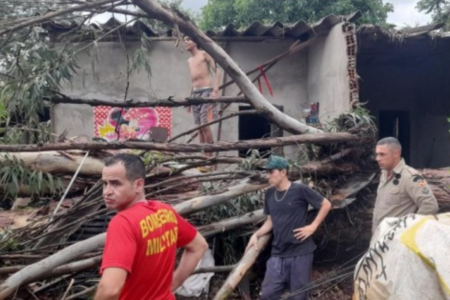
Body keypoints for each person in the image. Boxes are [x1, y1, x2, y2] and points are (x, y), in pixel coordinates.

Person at [94, 153, 208, 300]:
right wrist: (171, 287)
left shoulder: (123, 222)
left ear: (138, 185)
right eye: (105, 183)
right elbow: (199, 245)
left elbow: (110, 290)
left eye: (116, 183)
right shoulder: (165, 211)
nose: (107, 191)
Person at [246, 155, 332, 300]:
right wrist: (256, 234)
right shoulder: (269, 194)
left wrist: (313, 226)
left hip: (300, 253)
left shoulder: (300, 190)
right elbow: (270, 221)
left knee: (298, 296)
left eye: (271, 172)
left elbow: (326, 204)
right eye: (267, 172)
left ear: (283, 172)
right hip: (278, 253)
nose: (268, 176)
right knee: (268, 294)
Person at [372, 137, 439, 233]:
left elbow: (430, 205)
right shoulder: (384, 174)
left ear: (396, 153)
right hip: (380, 239)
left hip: (396, 241)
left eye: (382, 154)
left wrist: (409, 229)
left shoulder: (410, 177)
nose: (377, 159)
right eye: (377, 154)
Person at [184, 35, 221, 167]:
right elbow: (192, 81)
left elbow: (217, 70)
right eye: (184, 40)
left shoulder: (204, 54)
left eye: (188, 39)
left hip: (206, 91)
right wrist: (189, 100)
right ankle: (203, 157)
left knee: (205, 125)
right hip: (195, 94)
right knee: (199, 127)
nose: (185, 42)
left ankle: (209, 157)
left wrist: (215, 91)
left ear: (195, 42)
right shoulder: (189, 61)